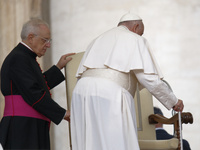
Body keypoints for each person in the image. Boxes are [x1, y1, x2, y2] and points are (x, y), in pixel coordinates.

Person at [70, 12, 184, 150]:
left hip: (81, 93)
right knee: (115, 142)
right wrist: (173, 101)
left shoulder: (97, 39)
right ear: (136, 27)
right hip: (110, 93)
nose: (140, 36)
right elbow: (148, 78)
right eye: (140, 33)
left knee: (89, 142)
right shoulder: (134, 39)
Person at [0, 18, 74, 149]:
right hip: (22, 128)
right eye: (44, 40)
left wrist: (58, 68)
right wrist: (62, 113)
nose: (48, 45)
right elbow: (33, 92)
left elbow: (35, 85)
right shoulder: (19, 58)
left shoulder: (25, 57)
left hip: (29, 125)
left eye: (49, 41)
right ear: (30, 37)